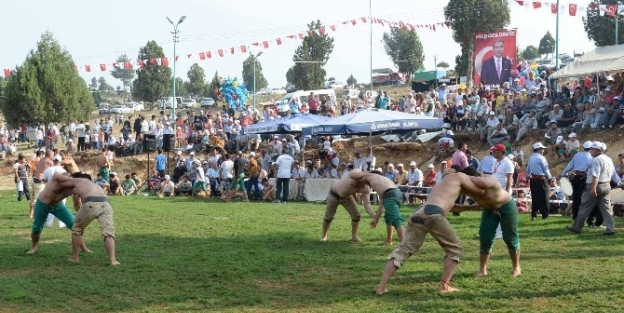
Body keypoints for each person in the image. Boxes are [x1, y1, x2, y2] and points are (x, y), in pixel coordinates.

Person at [375, 169, 484, 295]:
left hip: (418, 213)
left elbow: (450, 206)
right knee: (455, 249)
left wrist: (472, 208)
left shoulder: (442, 184)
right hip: (433, 215)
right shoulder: (461, 177)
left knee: (402, 251)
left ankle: (381, 287)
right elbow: (480, 192)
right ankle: (444, 286)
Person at [58, 172, 119, 266]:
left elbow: (76, 202)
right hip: (107, 204)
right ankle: (113, 260)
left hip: (90, 203)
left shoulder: (78, 182)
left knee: (77, 229)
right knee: (108, 232)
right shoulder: (95, 184)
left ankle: (75, 257)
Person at [567, 141, 623, 235]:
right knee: (607, 209)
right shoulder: (608, 159)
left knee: (584, 207)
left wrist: (593, 188)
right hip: (606, 186)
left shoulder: (596, 160)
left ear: (596, 150)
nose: (590, 151)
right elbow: (613, 174)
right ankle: (611, 229)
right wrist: (620, 183)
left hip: (595, 186)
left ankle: (576, 228)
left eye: (591, 149)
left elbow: (595, 176)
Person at [27, 172, 90, 255]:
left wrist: (83, 214)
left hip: (57, 206)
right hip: (42, 203)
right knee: (37, 228)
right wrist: (73, 180)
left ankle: (83, 247)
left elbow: (77, 204)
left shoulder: (76, 189)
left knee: (75, 225)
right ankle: (34, 247)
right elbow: (56, 175)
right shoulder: (61, 178)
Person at [320, 169, 376, 242]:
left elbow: (367, 204)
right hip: (334, 194)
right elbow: (352, 174)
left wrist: (375, 216)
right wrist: (366, 174)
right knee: (328, 217)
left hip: (347, 197)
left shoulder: (366, 188)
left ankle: (354, 236)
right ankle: (324, 236)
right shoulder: (357, 172)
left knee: (356, 215)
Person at [357, 171, 406, 245]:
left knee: (396, 220)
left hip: (391, 195)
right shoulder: (384, 182)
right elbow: (381, 206)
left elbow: (356, 175)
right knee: (389, 218)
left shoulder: (374, 179)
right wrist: (375, 219)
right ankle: (389, 240)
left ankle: (405, 244)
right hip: (397, 194)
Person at [561, 140, 594, 220]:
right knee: (583, 197)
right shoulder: (591, 158)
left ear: (583, 147)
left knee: (576, 197)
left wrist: (564, 173)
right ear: (591, 148)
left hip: (575, 178)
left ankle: (575, 215)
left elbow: (570, 165)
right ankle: (582, 215)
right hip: (584, 178)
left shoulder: (577, 155)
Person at [526, 142, 552, 220]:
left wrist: (527, 177)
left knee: (535, 197)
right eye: (542, 149)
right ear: (538, 149)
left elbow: (528, 169)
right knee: (544, 196)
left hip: (533, 180)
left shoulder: (531, 158)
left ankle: (534, 214)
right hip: (541, 179)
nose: (543, 150)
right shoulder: (541, 158)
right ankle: (545, 214)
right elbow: (546, 169)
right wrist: (549, 178)